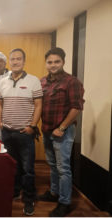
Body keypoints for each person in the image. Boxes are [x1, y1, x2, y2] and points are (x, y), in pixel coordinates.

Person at [36, 47, 85, 217]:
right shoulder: (42, 82)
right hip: (47, 130)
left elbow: (77, 107)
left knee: (63, 168)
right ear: (46, 64)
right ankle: (54, 193)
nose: (53, 65)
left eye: (57, 61)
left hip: (63, 132)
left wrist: (61, 128)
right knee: (52, 165)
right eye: (50, 62)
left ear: (63, 62)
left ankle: (64, 202)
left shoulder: (72, 82)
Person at [0, 48, 43, 216]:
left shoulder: (33, 81)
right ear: (9, 61)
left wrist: (32, 126)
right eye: (13, 59)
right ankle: (15, 192)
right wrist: (0, 122)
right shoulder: (3, 81)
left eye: (19, 59)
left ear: (24, 62)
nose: (15, 61)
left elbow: (38, 105)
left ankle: (29, 197)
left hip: (25, 132)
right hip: (7, 132)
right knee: (11, 166)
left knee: (28, 168)